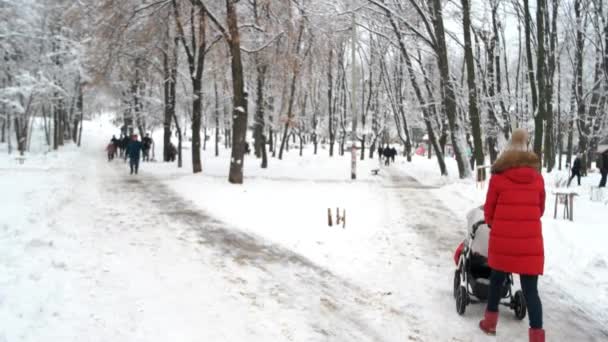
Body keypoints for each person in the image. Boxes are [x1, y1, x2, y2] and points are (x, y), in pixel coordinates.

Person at [479, 128, 546, 342]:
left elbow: (489, 212)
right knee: (531, 292)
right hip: (529, 245)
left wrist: (496, 224)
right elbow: (541, 210)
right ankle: (536, 337)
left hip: (503, 242)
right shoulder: (537, 179)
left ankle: (489, 324)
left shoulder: (498, 179)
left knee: (496, 281)